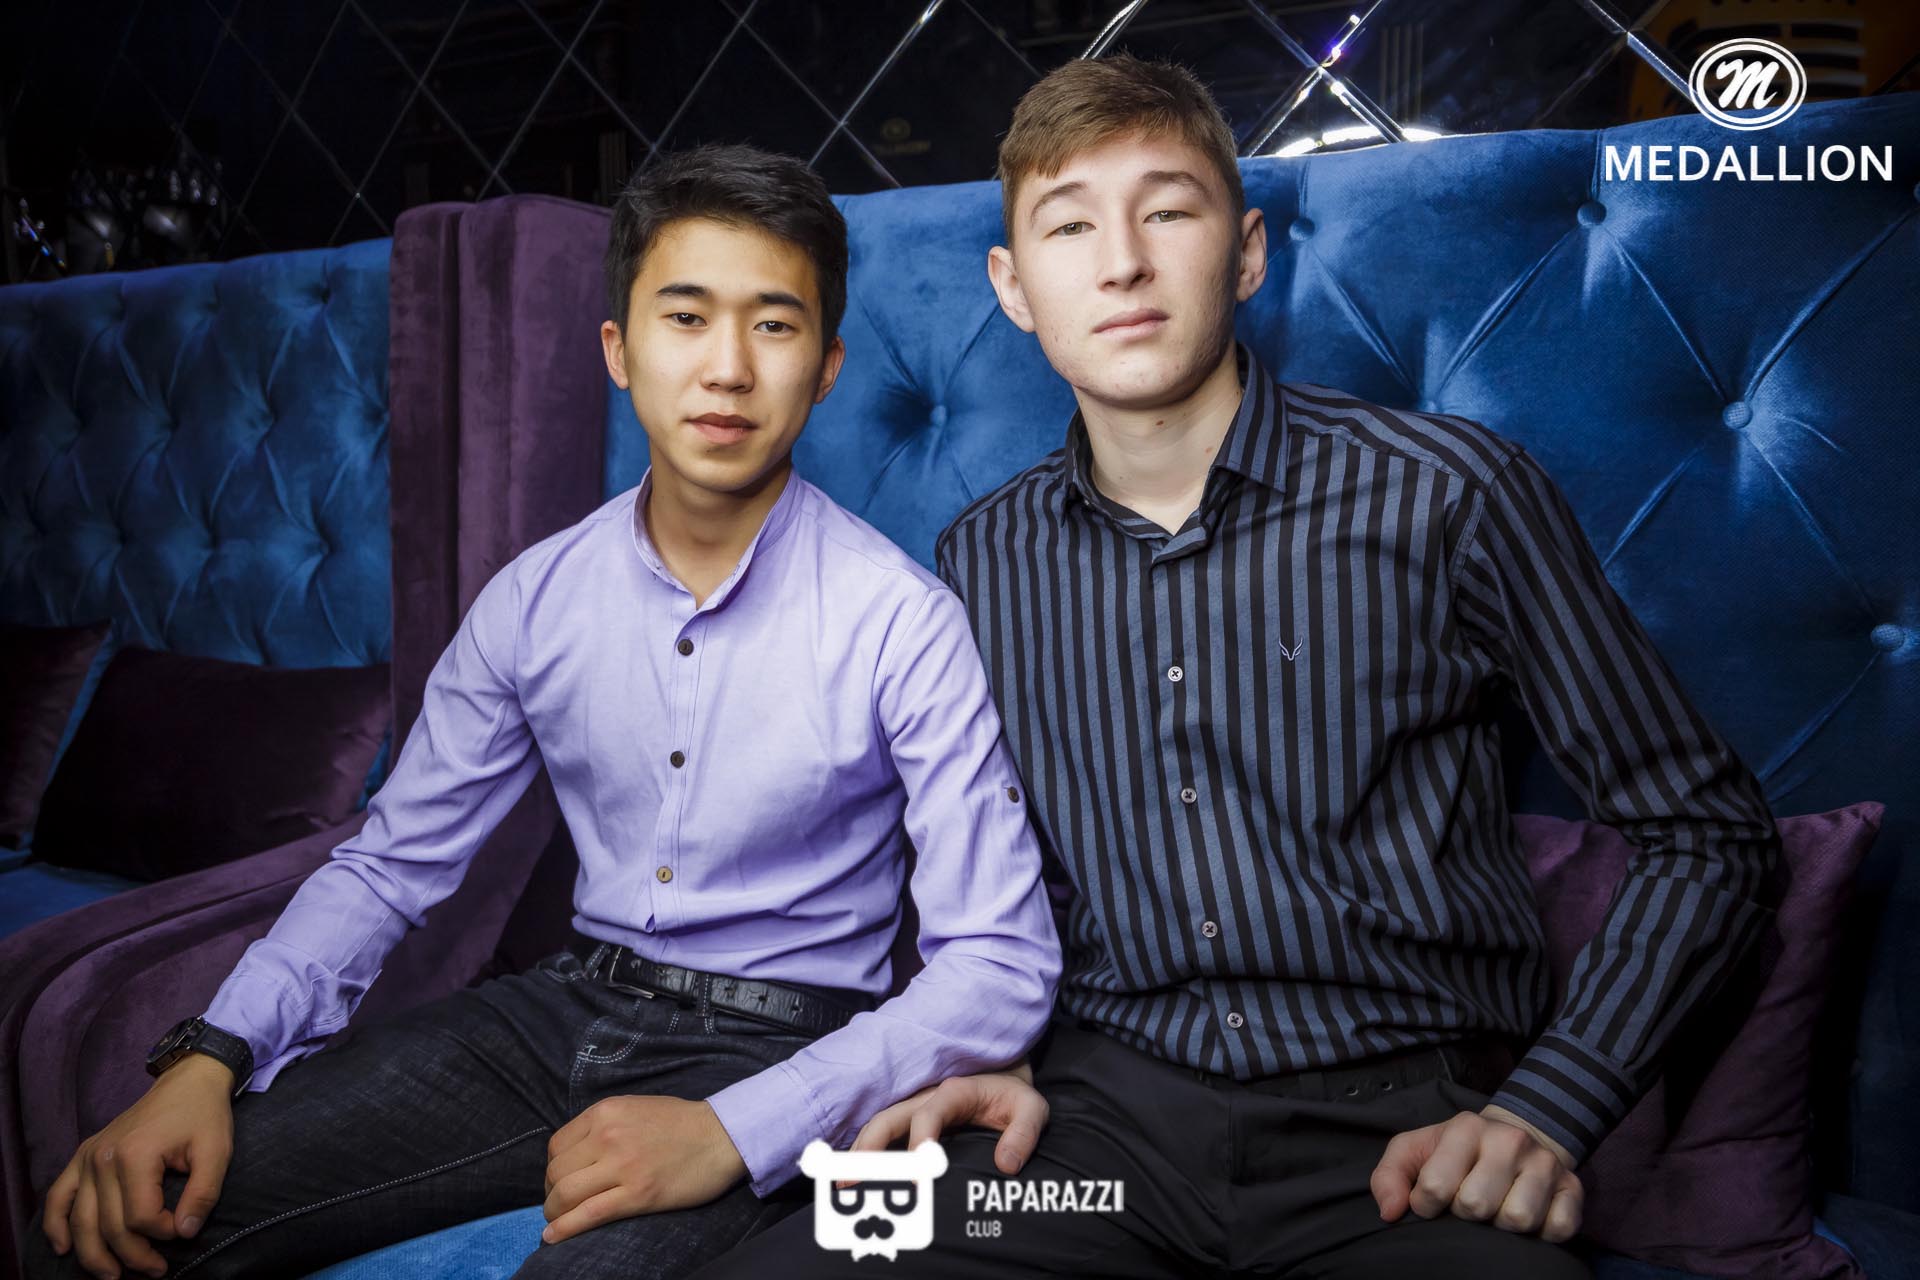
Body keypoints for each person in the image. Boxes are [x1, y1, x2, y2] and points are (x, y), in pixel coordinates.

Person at [693, 55, 1782, 1280]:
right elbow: (1006, 879)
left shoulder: (1449, 495)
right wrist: (987, 1054)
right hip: (1095, 1141)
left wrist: (1550, 1106)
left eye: (1167, 210)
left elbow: (1709, 831)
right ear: (1014, 288)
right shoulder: (982, 557)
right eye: (1069, 226)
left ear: (1248, 253)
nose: (1122, 262)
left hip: (1402, 1143)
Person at [24, 143, 1061, 1280]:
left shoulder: (902, 620)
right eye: (685, 318)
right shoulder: (536, 598)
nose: (727, 369)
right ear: (619, 350)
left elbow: (998, 960)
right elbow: (392, 865)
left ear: (825, 368)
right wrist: (213, 1052)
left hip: (779, 1042)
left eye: (774, 325)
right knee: (121, 1223)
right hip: (556, 1012)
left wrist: (737, 1128)